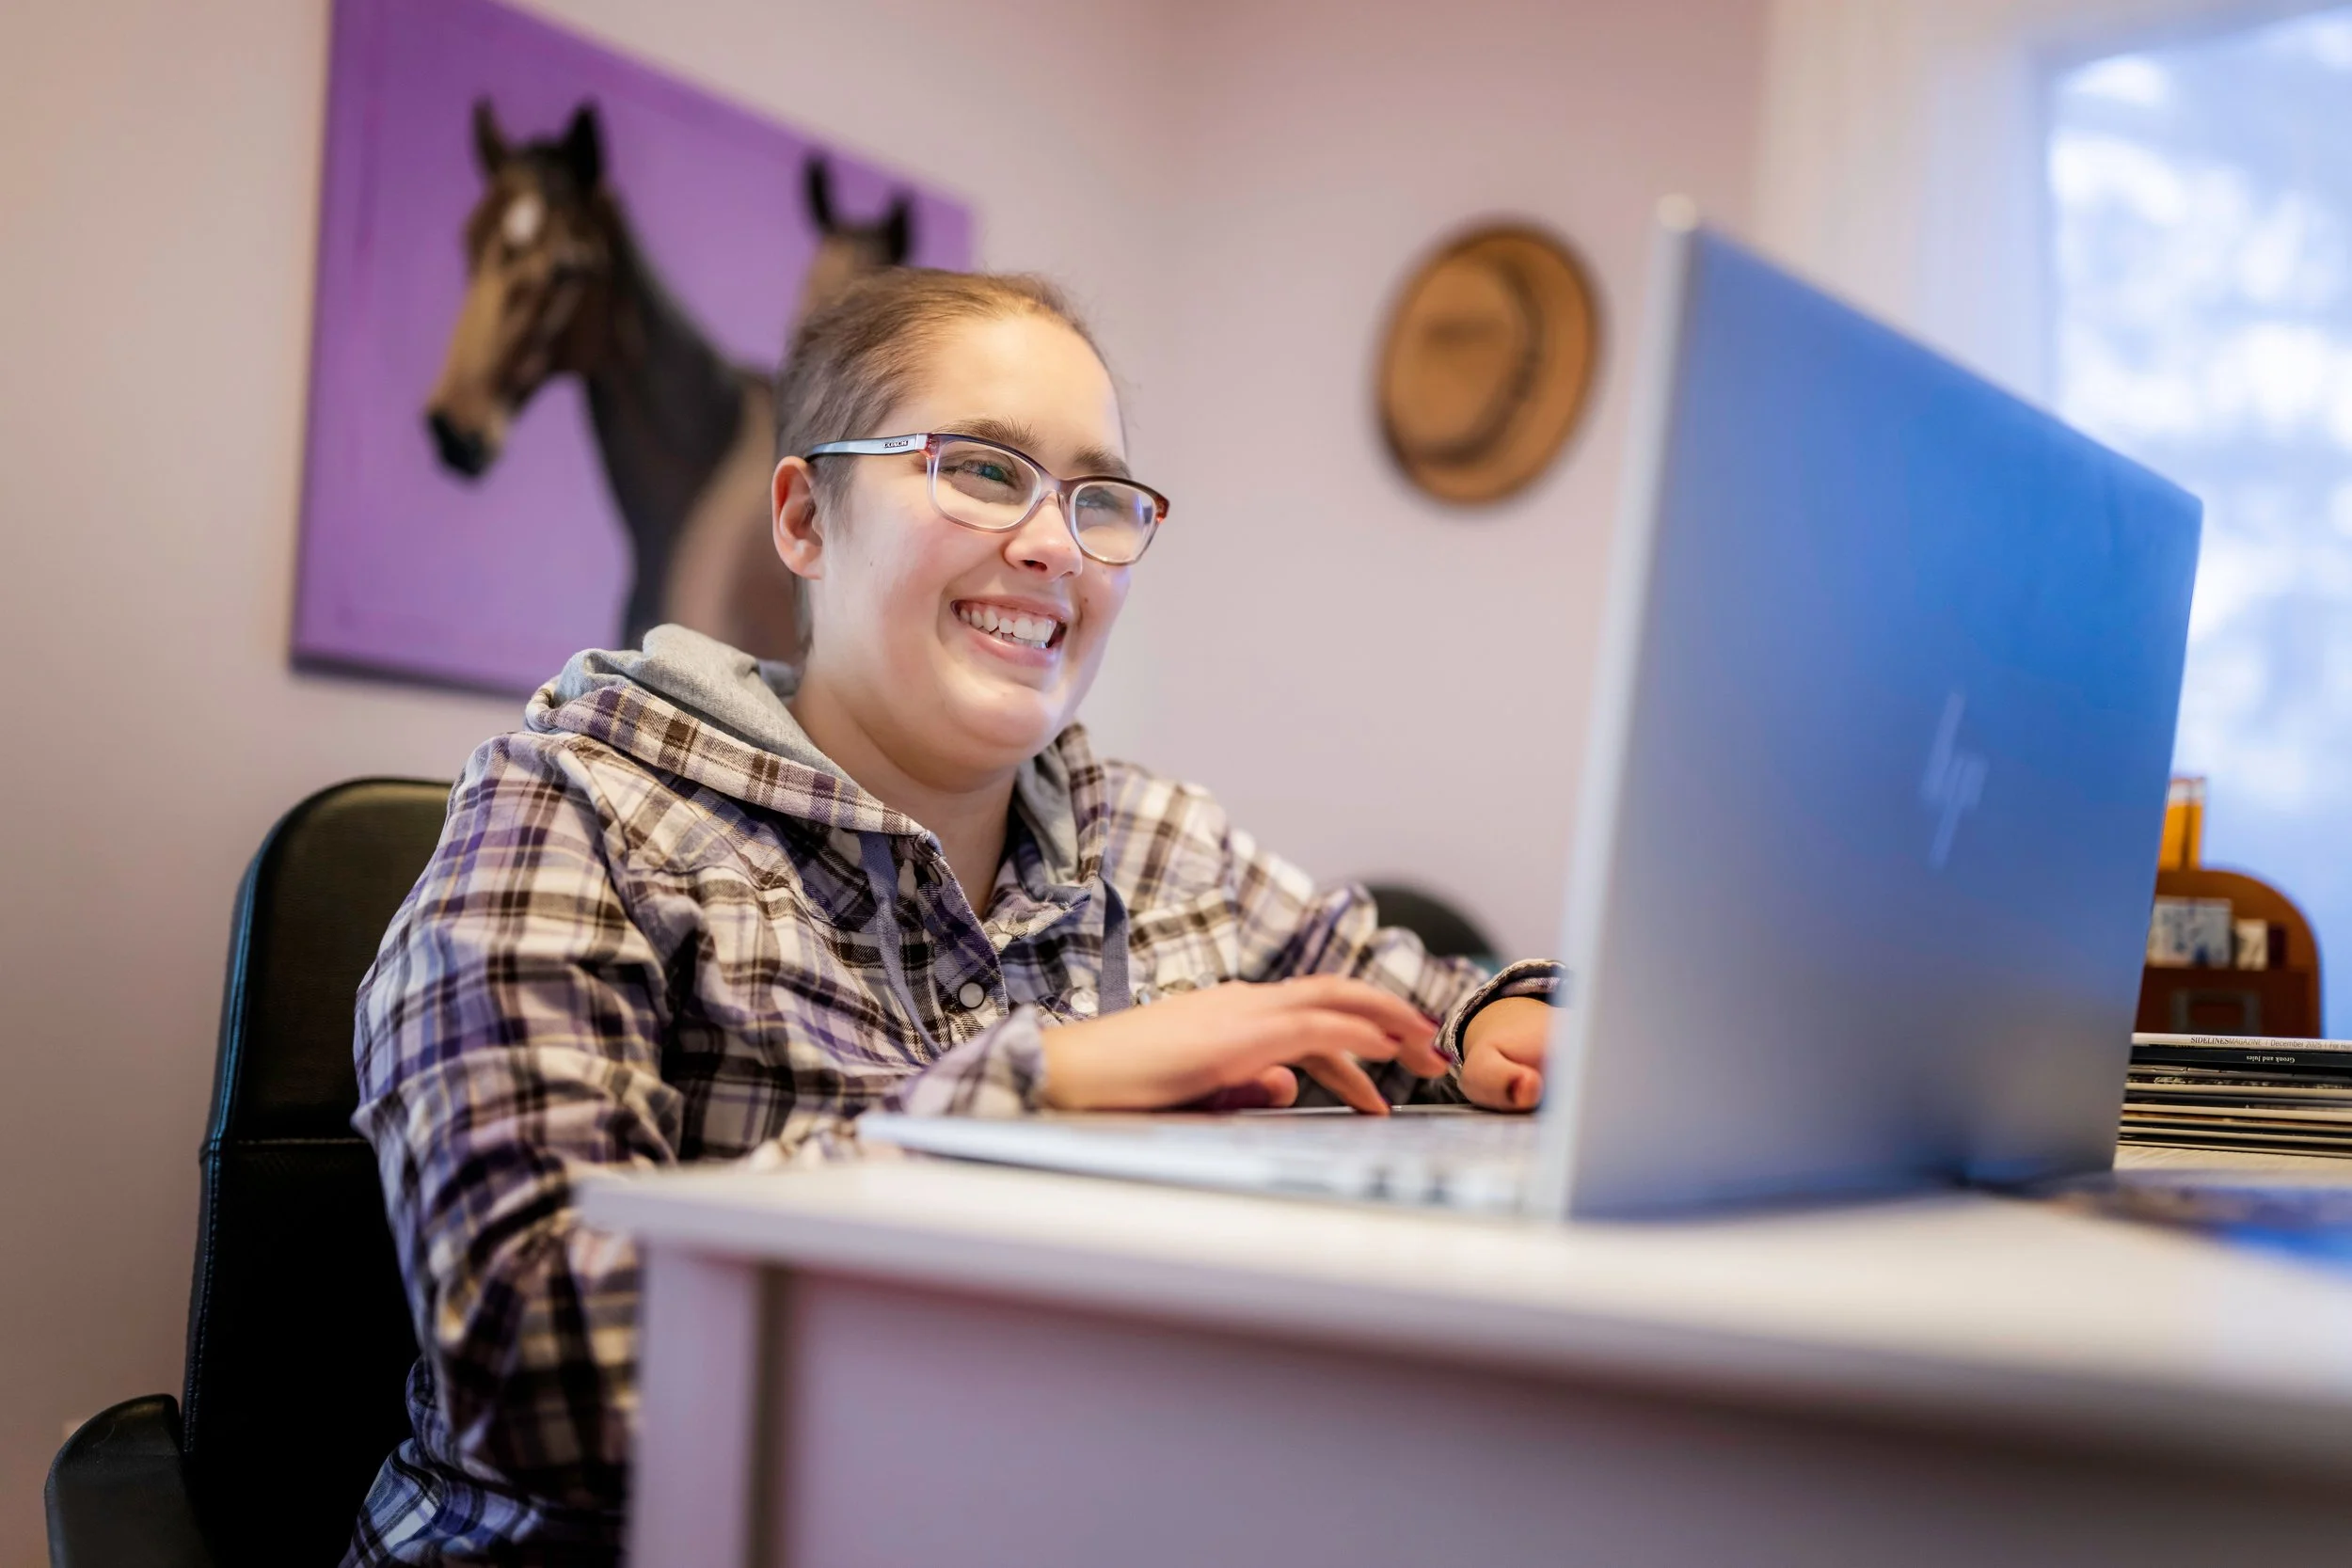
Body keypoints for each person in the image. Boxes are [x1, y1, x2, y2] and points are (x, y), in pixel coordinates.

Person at [346, 268, 1562, 1564]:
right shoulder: (576, 810)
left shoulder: (1155, 841)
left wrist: (1504, 1012)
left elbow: (1415, 992)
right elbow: (527, 1363)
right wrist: (1035, 1101)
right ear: (805, 517)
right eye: (982, 470)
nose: (1052, 544)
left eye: (1099, 498)